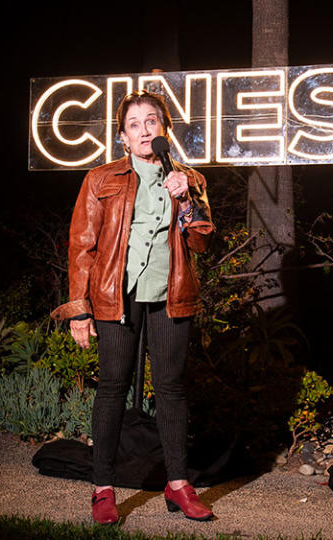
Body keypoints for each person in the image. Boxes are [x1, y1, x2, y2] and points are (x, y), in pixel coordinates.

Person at [50, 90, 215, 525]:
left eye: (152, 121)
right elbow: (81, 246)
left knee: (172, 389)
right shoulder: (101, 178)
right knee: (111, 388)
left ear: (164, 129)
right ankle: (103, 489)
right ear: (123, 136)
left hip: (170, 296)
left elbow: (199, 241)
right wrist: (79, 308)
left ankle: (178, 485)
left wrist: (186, 197)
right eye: (135, 124)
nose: (145, 130)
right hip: (114, 297)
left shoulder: (188, 179)